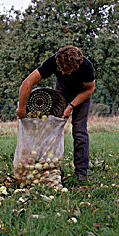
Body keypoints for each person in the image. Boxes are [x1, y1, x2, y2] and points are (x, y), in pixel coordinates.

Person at [16, 45, 95, 182]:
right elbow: (27, 83)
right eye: (60, 69)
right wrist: (22, 108)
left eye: (66, 70)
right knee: (50, 126)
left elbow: (89, 89)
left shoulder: (86, 67)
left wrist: (71, 106)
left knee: (79, 130)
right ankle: (43, 166)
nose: (62, 73)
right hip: (62, 92)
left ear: (75, 66)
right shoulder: (53, 62)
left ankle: (81, 172)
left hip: (81, 94)